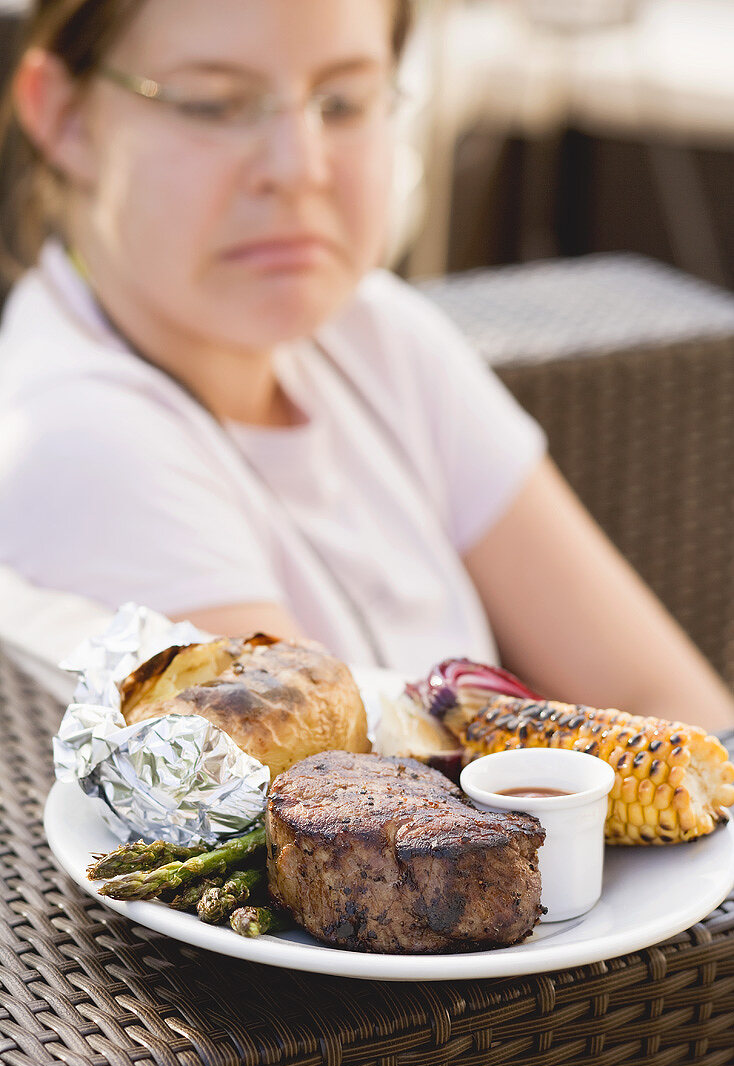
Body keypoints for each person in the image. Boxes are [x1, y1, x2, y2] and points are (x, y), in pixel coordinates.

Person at [0, 0, 732, 731]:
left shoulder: (368, 329)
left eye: (344, 102)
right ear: (62, 114)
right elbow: (332, 806)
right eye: (214, 104)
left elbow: (671, 705)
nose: (300, 168)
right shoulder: (82, 440)